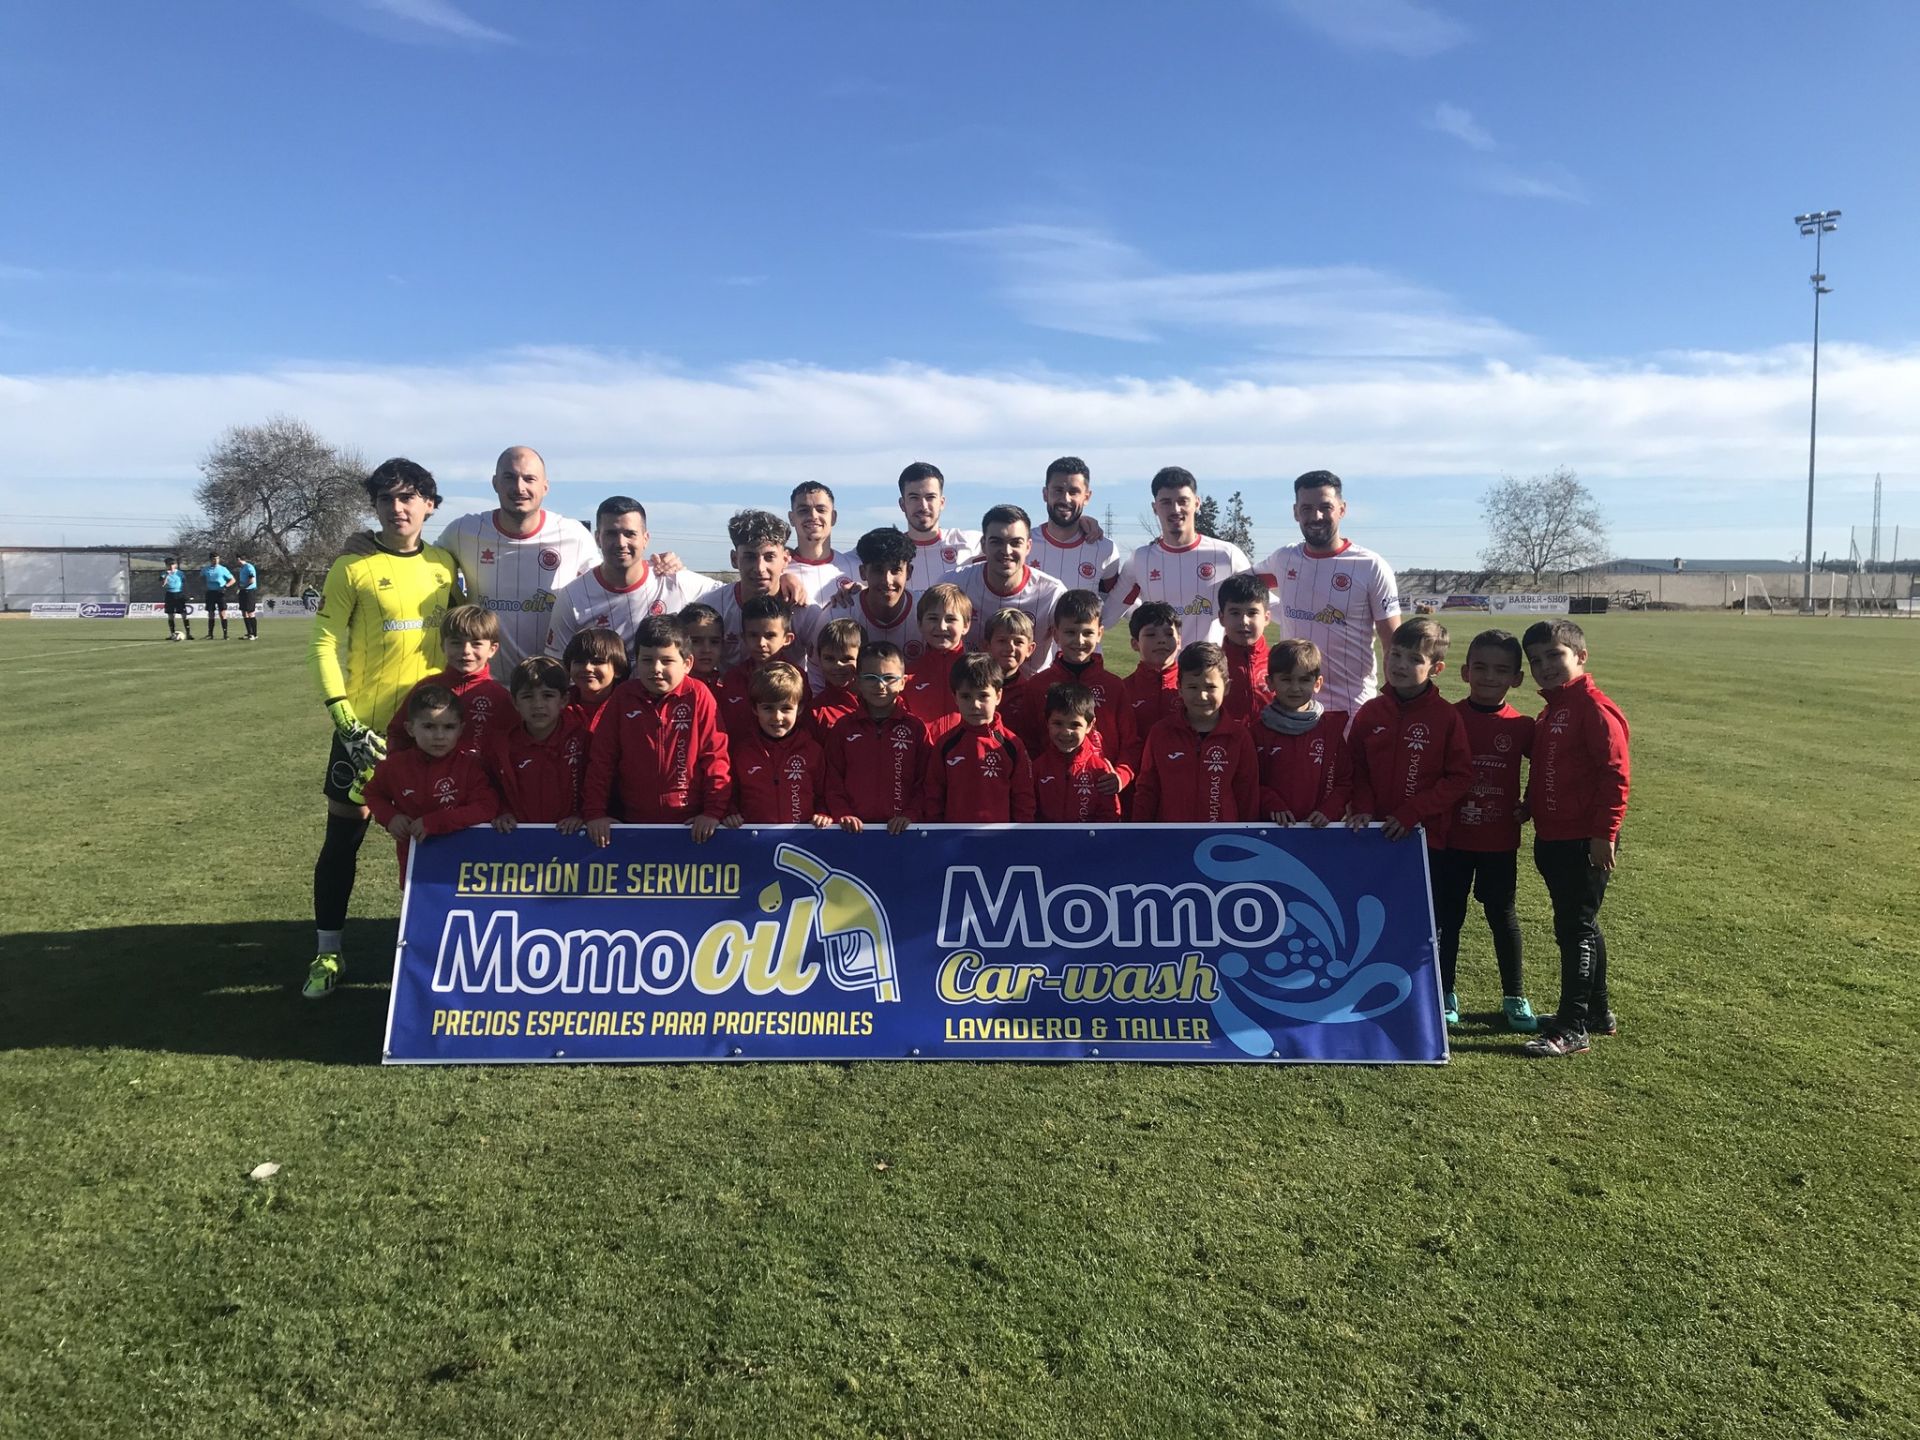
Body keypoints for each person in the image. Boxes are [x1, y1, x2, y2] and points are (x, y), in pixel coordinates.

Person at [305, 458, 464, 999]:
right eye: (385, 500)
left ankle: (443, 952)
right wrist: (342, 714)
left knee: (441, 841)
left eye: (409, 498)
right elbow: (323, 642)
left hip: (433, 733)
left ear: (429, 505)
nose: (397, 509)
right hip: (364, 732)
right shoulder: (352, 568)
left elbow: (470, 633)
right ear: (373, 506)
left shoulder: (446, 566)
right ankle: (328, 954)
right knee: (342, 842)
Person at [1519, 619, 1631, 1059]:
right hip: (1554, 836)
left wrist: (1604, 834)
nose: (1545, 666)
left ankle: (1572, 1027)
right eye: (1536, 660)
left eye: (1555, 655)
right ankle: (1597, 1012)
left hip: (1584, 840)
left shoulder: (1593, 707)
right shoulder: (1553, 709)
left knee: (1575, 930)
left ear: (1580, 656)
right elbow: (1549, 769)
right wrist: (1528, 807)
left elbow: (1615, 774)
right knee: (1581, 923)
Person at [1432, 629, 1539, 1032]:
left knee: (1502, 916)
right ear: (1464, 672)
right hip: (1452, 840)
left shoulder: (1523, 726)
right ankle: (1444, 992)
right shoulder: (1449, 717)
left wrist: (1528, 803)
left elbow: (1549, 766)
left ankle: (1515, 995)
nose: (1489, 677)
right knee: (1447, 918)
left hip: (1498, 841)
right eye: (1480, 668)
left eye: (1501, 670)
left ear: (1516, 678)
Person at [434, 446, 599, 676]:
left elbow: (608, 584)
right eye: (509, 477)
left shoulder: (574, 535)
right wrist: (371, 543)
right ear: (495, 483)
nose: (519, 488)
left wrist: (662, 564)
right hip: (484, 688)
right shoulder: (463, 531)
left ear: (545, 487)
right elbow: (419, 561)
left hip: (550, 692)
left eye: (529, 479)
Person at [1255, 470, 1402, 717]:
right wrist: (1276, 610)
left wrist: (1395, 702)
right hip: (1294, 706)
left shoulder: (1370, 565)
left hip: (1351, 707)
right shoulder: (1284, 558)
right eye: (1307, 508)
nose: (1316, 516)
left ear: (1342, 509)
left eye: (1326, 507)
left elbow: (1394, 643)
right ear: (1295, 512)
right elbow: (1245, 585)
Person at [581, 614, 731, 848]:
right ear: (636, 661)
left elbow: (715, 758)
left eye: (666, 660)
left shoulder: (699, 695)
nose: (656, 669)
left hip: (692, 826)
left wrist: (713, 812)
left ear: (687, 664)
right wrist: (595, 813)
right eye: (647, 660)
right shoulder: (623, 697)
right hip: (633, 824)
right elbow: (602, 760)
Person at [1345, 618, 1473, 853]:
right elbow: (1355, 765)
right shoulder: (1370, 712)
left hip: (1423, 835)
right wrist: (1363, 807)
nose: (1400, 665)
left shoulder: (1446, 717)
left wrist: (1414, 812)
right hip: (1371, 829)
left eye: (1415, 659)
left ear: (1436, 668)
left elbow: (1459, 778)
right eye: (1395, 654)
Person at [545, 496, 720, 662]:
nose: (621, 543)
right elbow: (559, 664)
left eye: (630, 534)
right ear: (598, 538)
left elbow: (732, 594)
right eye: (611, 534)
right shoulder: (573, 596)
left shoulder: (674, 580)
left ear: (645, 539)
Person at [363, 685, 501, 878]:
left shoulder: (470, 766)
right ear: (410, 729)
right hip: (415, 861)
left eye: (448, 727)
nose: (439, 736)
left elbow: (487, 806)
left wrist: (438, 821)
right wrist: (390, 816)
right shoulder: (395, 767)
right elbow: (372, 793)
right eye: (429, 726)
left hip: (466, 861)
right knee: (419, 907)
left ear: (461, 729)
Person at [1105, 467, 1252, 643]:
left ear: (1197, 503)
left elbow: (1262, 605)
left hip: (1209, 669)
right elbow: (1109, 614)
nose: (1175, 509)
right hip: (1161, 669)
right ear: (1154, 507)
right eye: (1166, 502)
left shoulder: (1226, 555)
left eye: (1183, 501)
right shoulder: (1140, 559)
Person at [1021, 589, 1133, 800]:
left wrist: (1121, 775)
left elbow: (1130, 742)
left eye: (1087, 633)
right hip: (1050, 794)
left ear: (1099, 633)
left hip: (1102, 793)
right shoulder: (1037, 685)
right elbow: (1028, 741)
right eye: (1070, 632)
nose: (1079, 640)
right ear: (1055, 634)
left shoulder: (1114, 686)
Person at [1134, 642, 1258, 822]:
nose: (1202, 695)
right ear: (1180, 687)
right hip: (1171, 837)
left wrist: (1245, 839)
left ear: (1227, 687)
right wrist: (1140, 833)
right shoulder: (1161, 733)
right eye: (1193, 687)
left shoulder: (1239, 737)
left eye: (1210, 687)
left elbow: (1248, 795)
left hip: (1221, 840)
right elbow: (1147, 789)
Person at [823, 640, 927, 834]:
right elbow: (832, 779)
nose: (880, 685)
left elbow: (924, 781)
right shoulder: (844, 728)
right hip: (852, 831)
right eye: (871, 677)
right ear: (858, 681)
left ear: (903, 682)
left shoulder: (915, 728)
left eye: (889, 678)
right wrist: (842, 813)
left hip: (903, 831)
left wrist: (911, 815)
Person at [385, 604, 515, 755]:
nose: (466, 651)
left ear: (492, 649)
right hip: (427, 776)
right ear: (442, 646)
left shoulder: (500, 697)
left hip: (478, 778)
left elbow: (512, 745)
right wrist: (402, 770)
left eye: (476, 644)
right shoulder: (426, 687)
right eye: (456, 643)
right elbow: (398, 733)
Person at [954, 504, 1068, 677]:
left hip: (1030, 695)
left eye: (1015, 543)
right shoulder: (956, 583)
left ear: (1028, 546)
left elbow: (1072, 646)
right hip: (973, 696)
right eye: (996, 542)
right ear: (983, 545)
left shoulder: (1052, 592)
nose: (1006, 551)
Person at [923, 654, 1036, 823]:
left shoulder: (1012, 745)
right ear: (955, 697)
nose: (975, 705)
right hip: (953, 841)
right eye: (966, 696)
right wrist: (937, 834)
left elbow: (1023, 798)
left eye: (983, 696)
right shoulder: (946, 744)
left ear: (998, 696)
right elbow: (933, 795)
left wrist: (1018, 836)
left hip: (999, 843)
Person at [1251, 638, 1351, 827]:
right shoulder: (1257, 731)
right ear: (1270, 682)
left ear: (1317, 683)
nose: (1295, 688)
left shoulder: (1330, 729)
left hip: (1318, 831)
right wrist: (1270, 803)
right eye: (1286, 679)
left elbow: (1345, 781)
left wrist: (1329, 810)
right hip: (1272, 830)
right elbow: (1248, 781)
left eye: (1304, 680)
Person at [723, 661, 833, 829]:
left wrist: (824, 813)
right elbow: (730, 794)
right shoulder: (742, 752)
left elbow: (825, 794)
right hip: (753, 842)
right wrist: (730, 812)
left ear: (800, 708)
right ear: (754, 708)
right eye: (768, 708)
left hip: (801, 843)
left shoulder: (812, 751)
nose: (777, 717)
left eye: (786, 708)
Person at [489, 656, 589, 835]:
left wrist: (582, 815)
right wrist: (502, 812)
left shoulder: (583, 740)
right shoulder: (503, 747)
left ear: (564, 700)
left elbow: (598, 787)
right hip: (520, 843)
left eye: (548, 695)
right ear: (515, 702)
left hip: (573, 839)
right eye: (527, 696)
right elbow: (491, 789)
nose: (538, 705)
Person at [715, 594, 802, 743]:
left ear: (787, 639)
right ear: (743, 637)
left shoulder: (800, 680)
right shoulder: (732, 679)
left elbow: (803, 732)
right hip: (739, 763)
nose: (761, 643)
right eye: (754, 635)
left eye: (770, 635)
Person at [1029, 457, 1119, 595]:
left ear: (1087, 497)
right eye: (1058, 490)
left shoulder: (1105, 549)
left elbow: (1118, 598)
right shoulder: (1022, 544)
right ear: (1045, 494)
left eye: (1074, 492)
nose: (1066, 499)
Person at [1033, 683, 1122, 822]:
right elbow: (1029, 813)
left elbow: (1110, 817)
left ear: (1090, 726)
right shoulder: (1037, 768)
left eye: (1075, 725)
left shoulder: (1099, 769)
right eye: (1058, 723)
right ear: (1047, 722)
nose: (1066, 732)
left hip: (1089, 843)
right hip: (1047, 842)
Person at [1119, 602, 1182, 789]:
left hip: (1181, 783)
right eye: (1151, 635)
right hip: (1134, 784)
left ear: (1179, 641)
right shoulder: (1123, 690)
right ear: (1135, 644)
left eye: (1169, 634)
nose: (1161, 640)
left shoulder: (1193, 688)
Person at [896, 462, 980, 583]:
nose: (923, 506)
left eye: (930, 497)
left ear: (942, 502)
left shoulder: (971, 542)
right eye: (914, 497)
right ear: (902, 504)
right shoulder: (887, 554)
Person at [900, 583, 972, 723]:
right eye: (933, 618)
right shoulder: (907, 676)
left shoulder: (979, 672)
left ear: (966, 625)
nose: (941, 626)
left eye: (950, 619)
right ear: (920, 624)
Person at [785, 482, 863, 604]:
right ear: (791, 518)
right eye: (803, 510)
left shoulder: (859, 569)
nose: (813, 516)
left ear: (833, 517)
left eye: (821, 510)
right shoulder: (780, 573)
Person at [1215, 572, 1274, 723]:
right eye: (1235, 613)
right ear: (1222, 618)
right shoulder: (1211, 665)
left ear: (1266, 618)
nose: (1244, 621)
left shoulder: (1279, 661)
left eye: (1252, 612)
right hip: (1227, 744)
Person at [983, 608, 1041, 757]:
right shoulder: (973, 689)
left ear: (1030, 649)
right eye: (1002, 641)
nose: (1010, 648)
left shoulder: (1031, 692)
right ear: (987, 646)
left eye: (1018, 642)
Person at [562, 626, 629, 732]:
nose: (587, 668)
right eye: (579, 662)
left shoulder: (630, 707)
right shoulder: (558, 705)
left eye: (598, 662)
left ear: (617, 670)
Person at [807, 616, 865, 739]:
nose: (838, 665)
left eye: (846, 659)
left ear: (861, 658)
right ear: (820, 658)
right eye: (829, 658)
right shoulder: (815, 711)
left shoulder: (878, 699)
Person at [677, 601, 726, 693]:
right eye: (695, 641)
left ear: (723, 644)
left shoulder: (729, 687)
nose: (706, 650)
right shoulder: (671, 687)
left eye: (714, 642)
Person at [201, 550, 237, 639]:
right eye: (214, 559)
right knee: (211, 613)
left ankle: (225, 634)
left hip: (220, 593)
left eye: (217, 559)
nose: (216, 560)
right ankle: (210, 634)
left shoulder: (223, 569)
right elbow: (201, 579)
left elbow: (233, 580)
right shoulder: (205, 569)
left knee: (222, 613)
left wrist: (226, 586)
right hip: (210, 593)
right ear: (210, 560)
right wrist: (203, 587)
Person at [161, 557, 192, 641]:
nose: (171, 567)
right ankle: (172, 634)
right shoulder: (164, 573)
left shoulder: (180, 573)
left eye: (173, 564)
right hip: (170, 595)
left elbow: (185, 583)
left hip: (179, 595)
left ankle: (188, 634)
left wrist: (187, 594)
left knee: (184, 614)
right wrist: (167, 575)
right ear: (166, 565)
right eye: (169, 565)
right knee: (171, 615)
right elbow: (163, 584)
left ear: (175, 565)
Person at [234, 554, 261, 639]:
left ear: (239, 559)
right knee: (244, 612)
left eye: (237, 560)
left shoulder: (249, 567)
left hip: (249, 591)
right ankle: (249, 633)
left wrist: (242, 587)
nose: (236, 562)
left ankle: (254, 634)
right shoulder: (242, 569)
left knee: (250, 612)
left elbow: (251, 580)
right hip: (243, 591)